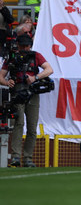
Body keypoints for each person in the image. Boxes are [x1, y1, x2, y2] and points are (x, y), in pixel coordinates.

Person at [0, 33, 53, 167]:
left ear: (30, 45)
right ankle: (16, 157)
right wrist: (7, 83)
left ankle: (28, 157)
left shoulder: (36, 55)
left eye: (26, 46)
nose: (25, 48)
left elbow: (49, 69)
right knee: (19, 123)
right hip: (17, 91)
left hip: (32, 92)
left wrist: (35, 77)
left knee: (32, 126)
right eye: (22, 45)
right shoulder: (11, 57)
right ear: (18, 45)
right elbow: (1, 75)